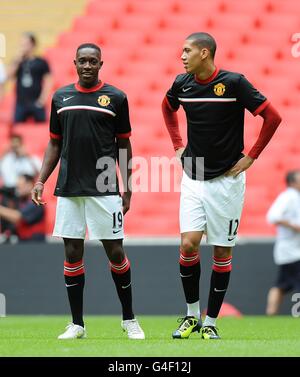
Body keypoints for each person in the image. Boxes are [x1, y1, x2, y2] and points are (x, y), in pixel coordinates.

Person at [162, 32, 282, 339]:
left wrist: (251, 157)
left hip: (227, 182)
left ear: (205, 53)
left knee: (221, 252)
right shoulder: (181, 84)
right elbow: (167, 108)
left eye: (187, 50)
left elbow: (272, 117)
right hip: (193, 176)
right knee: (188, 244)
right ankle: (190, 316)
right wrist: (178, 144)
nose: (182, 56)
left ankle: (211, 321)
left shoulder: (233, 83)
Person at [31, 43, 145, 340]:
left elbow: (124, 145)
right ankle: (77, 324)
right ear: (74, 63)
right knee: (72, 252)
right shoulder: (61, 97)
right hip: (69, 186)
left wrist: (129, 187)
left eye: (93, 61)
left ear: (100, 64)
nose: (87, 66)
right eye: (82, 61)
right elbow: (54, 143)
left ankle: (129, 319)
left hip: (105, 188)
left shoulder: (116, 98)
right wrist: (41, 179)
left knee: (115, 251)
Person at [266, 170, 300, 315]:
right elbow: (273, 216)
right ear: (292, 182)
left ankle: (271, 313)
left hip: (291, 250)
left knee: (281, 285)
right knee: (284, 284)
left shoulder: (295, 197)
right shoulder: (288, 197)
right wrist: (294, 226)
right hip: (290, 250)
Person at [0, 133, 41, 239]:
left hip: (28, 190)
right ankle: (7, 233)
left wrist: (27, 155)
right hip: (10, 191)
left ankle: (11, 233)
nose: (15, 148)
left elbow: (41, 171)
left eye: (17, 145)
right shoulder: (7, 159)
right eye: (12, 145)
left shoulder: (29, 158)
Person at [8, 32, 52, 123]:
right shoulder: (18, 61)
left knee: (40, 127)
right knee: (18, 128)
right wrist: (18, 59)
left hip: (36, 101)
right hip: (21, 102)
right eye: (22, 44)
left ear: (33, 45)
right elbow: (10, 76)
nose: (23, 46)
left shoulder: (41, 62)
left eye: (26, 44)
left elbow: (48, 81)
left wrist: (42, 100)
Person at [0, 174, 45, 242]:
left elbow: (17, 217)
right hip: (23, 242)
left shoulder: (36, 201)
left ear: (29, 185)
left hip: (35, 244)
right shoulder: (21, 201)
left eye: (20, 186)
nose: (18, 189)